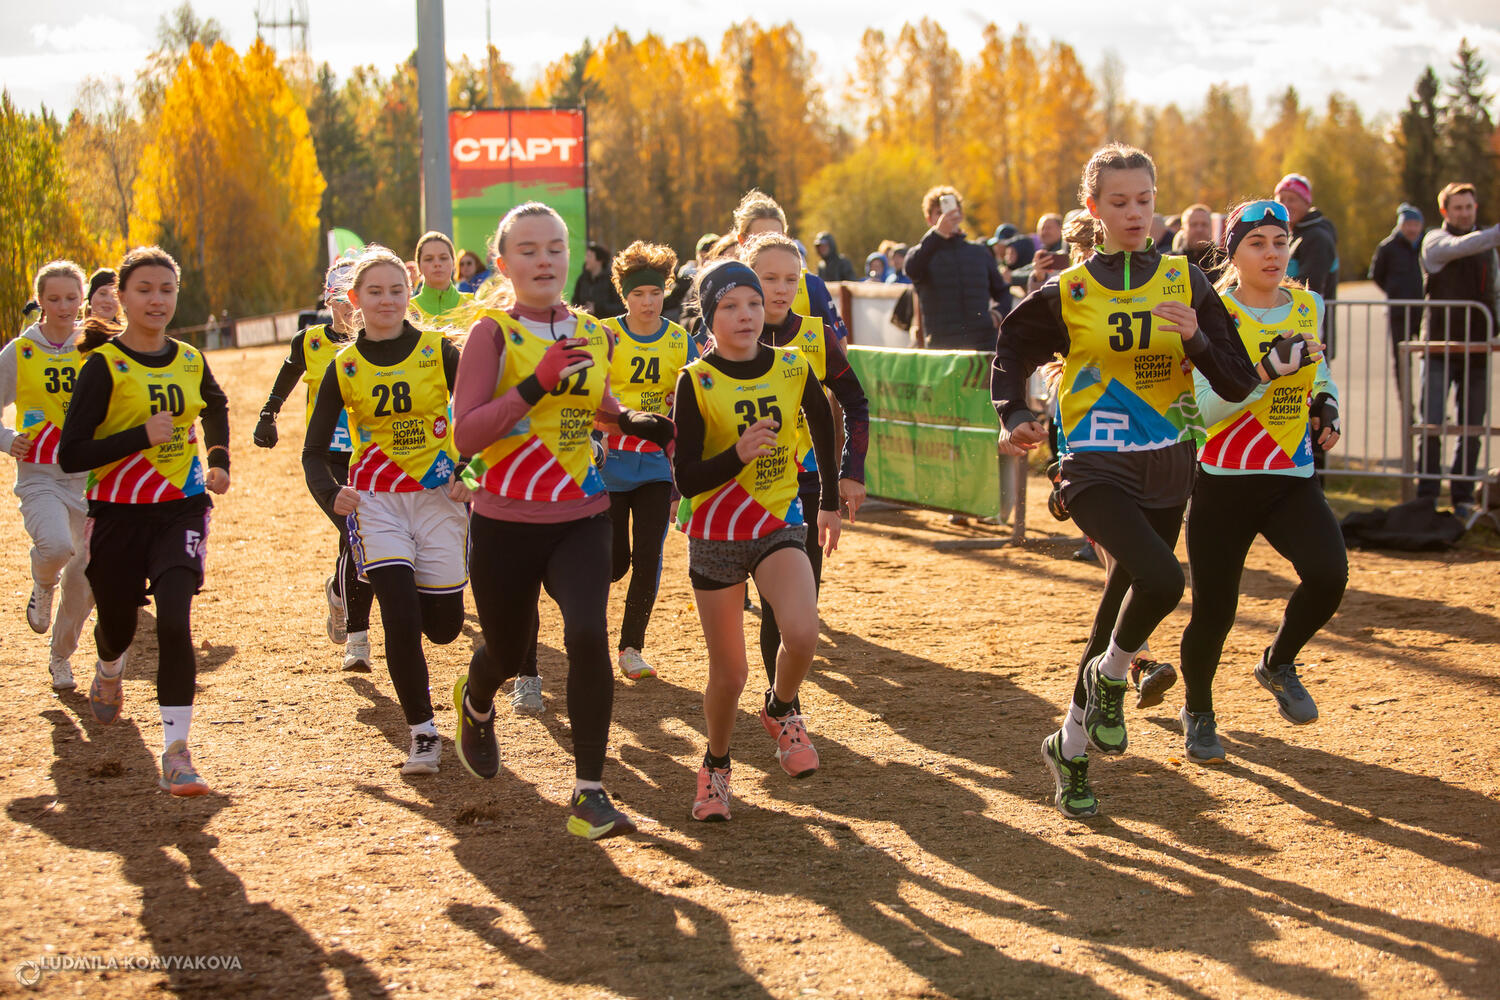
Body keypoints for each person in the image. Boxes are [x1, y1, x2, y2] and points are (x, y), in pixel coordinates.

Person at [992, 144, 1285, 820]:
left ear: (1157, 201)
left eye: (1144, 200)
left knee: (1113, 619)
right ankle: (1112, 680)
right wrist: (1012, 413)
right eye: (1119, 202)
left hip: (1168, 465)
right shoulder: (1069, 290)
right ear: (1093, 208)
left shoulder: (1187, 281)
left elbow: (1237, 382)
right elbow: (1010, 348)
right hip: (1094, 464)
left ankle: (1069, 746)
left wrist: (1198, 340)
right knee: (1163, 580)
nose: (1134, 213)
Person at [449, 202, 674, 840]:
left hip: (582, 512)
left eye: (555, 247)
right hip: (504, 521)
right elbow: (467, 435)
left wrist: (632, 422)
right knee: (507, 648)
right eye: (528, 250)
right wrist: (535, 385)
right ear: (503, 265)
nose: (544, 260)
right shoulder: (493, 335)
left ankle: (589, 793)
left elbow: (598, 405)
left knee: (586, 636)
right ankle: (477, 699)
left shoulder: (594, 334)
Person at [671, 260, 841, 822]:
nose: (745, 315)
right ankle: (716, 766)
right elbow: (686, 479)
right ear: (709, 317)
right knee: (730, 674)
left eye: (752, 303)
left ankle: (782, 707)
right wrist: (737, 455)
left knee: (803, 632)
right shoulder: (696, 381)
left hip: (777, 523)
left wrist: (829, 499)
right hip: (716, 534)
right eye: (730, 307)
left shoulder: (792, 366)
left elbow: (823, 423)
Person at [58, 245, 231, 796]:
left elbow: (216, 404)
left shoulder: (189, 359)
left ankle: (177, 752)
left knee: (176, 621)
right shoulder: (103, 366)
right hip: (116, 515)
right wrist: (140, 436)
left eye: (167, 290)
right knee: (118, 627)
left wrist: (218, 459)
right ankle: (109, 669)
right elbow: (71, 454)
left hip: (181, 508)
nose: (157, 300)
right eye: (145, 290)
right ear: (123, 298)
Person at [1178, 199, 1345, 764]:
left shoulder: (1307, 304)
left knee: (1329, 576)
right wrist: (1266, 372)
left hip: (1290, 476)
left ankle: (1277, 663)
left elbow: (1318, 371)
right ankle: (1198, 712)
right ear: (1233, 253)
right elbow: (1202, 412)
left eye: (1280, 241)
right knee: (1215, 613)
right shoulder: (1214, 314)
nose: (1272, 254)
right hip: (1224, 480)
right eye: (1257, 243)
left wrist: (1326, 405)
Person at [301, 245, 471, 776]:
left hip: (438, 500)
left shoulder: (439, 351)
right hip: (376, 503)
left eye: (396, 290)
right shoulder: (344, 366)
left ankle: (457, 689)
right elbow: (312, 452)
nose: (386, 300)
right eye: (374, 291)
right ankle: (423, 733)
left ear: (410, 293)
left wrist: (470, 471)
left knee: (443, 628)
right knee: (399, 616)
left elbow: (480, 414)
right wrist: (330, 492)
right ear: (354, 300)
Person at [744, 232, 869, 707]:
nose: (781, 289)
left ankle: (780, 702)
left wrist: (850, 471)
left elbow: (856, 402)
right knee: (771, 603)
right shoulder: (728, 333)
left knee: (800, 605)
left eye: (791, 279)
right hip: (750, 486)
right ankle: (785, 709)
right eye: (769, 278)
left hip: (810, 482)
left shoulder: (816, 336)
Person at [252, 253, 376, 671]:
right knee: (356, 534)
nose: (348, 307)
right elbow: (288, 375)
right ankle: (357, 640)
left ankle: (340, 594)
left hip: (368, 458)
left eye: (353, 296)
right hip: (326, 461)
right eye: (340, 297)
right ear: (328, 299)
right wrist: (268, 413)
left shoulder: (377, 342)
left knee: (356, 540)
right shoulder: (309, 342)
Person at [600, 241, 698, 680]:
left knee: (648, 556)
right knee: (614, 562)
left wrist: (683, 477)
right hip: (609, 464)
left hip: (656, 466)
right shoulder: (605, 336)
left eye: (655, 293)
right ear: (624, 295)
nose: (647, 302)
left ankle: (631, 647)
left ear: (666, 291)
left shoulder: (679, 341)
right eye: (638, 294)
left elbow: (694, 408)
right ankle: (587, 627)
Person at [0, 261, 94, 690]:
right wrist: (7, 439)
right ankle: (42, 582)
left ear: (82, 299)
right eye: (53, 299)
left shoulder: (93, 348)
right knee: (56, 547)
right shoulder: (19, 352)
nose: (64, 306)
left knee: (86, 575)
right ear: (40, 301)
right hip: (39, 474)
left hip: (89, 477)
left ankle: (61, 657)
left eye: (71, 298)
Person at [1416, 182, 1500, 519]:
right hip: (1439, 347)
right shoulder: (1435, 240)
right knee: (1431, 425)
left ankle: (1462, 497)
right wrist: (1494, 234)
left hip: (1477, 348)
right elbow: (1456, 248)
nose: (1464, 213)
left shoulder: (1487, 247)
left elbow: (1495, 290)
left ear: (1475, 208)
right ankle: (1426, 497)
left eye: (1469, 207)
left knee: (1472, 426)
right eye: (1458, 208)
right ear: (1445, 211)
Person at [730, 191, 850, 342]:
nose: (769, 246)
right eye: (761, 239)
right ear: (742, 240)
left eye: (776, 237)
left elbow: (839, 345)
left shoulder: (811, 286)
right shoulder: (728, 288)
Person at [903, 186, 1011, 350]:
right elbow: (911, 269)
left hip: (982, 347)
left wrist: (997, 315)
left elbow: (1002, 291)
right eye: (939, 213)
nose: (946, 216)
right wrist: (937, 235)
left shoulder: (979, 252)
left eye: (951, 211)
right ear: (929, 219)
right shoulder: (923, 254)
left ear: (961, 215)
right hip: (943, 349)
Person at [1369, 204, 1426, 395]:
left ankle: (1427, 404)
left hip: (1425, 311)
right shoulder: (1388, 247)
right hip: (1399, 312)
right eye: (1408, 224)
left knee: (1431, 356)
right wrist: (1393, 291)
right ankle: (1406, 403)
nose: (1412, 229)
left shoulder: (1425, 244)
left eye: (1416, 224)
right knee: (1402, 360)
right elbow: (1376, 275)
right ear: (1401, 225)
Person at [1274, 173, 1340, 336]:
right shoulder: (1293, 235)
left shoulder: (1317, 237)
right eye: (1281, 199)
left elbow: (1310, 285)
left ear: (1307, 202)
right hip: (1293, 320)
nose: (1286, 205)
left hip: (1310, 323)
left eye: (1292, 199)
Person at [409, 231, 475, 330]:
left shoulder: (473, 305)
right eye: (429, 259)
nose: (437, 264)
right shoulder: (407, 310)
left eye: (443, 258)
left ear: (454, 263)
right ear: (419, 266)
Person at [571, 241, 625, 319]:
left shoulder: (612, 279)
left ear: (599, 260)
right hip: (584, 323)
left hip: (606, 324)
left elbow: (621, 307)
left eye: (589, 256)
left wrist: (598, 309)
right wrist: (581, 309)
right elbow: (575, 301)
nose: (586, 259)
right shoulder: (582, 279)